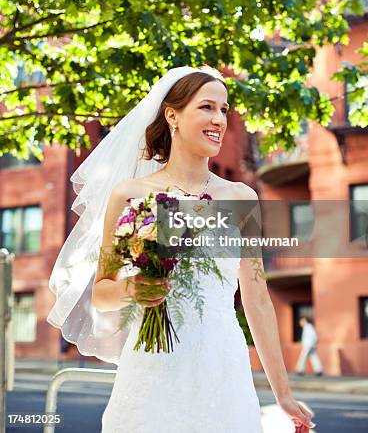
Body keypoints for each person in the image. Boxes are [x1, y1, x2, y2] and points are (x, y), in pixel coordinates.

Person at [47, 65, 316, 433]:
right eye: (207, 107)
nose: (219, 119)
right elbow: (103, 293)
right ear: (172, 115)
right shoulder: (129, 196)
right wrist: (135, 288)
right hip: (151, 368)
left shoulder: (241, 198)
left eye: (224, 110)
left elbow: (257, 301)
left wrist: (283, 395)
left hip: (223, 370)